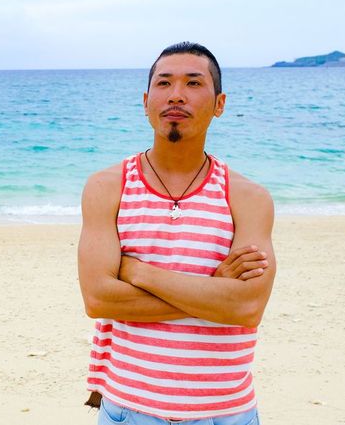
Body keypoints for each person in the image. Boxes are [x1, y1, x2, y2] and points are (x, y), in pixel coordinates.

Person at [78, 42, 276, 425]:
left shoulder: (248, 198)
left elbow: (247, 308)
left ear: (219, 104)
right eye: (164, 83)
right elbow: (98, 298)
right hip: (129, 410)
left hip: (226, 412)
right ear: (146, 102)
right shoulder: (108, 187)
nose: (176, 95)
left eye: (193, 83)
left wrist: (137, 272)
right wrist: (214, 291)